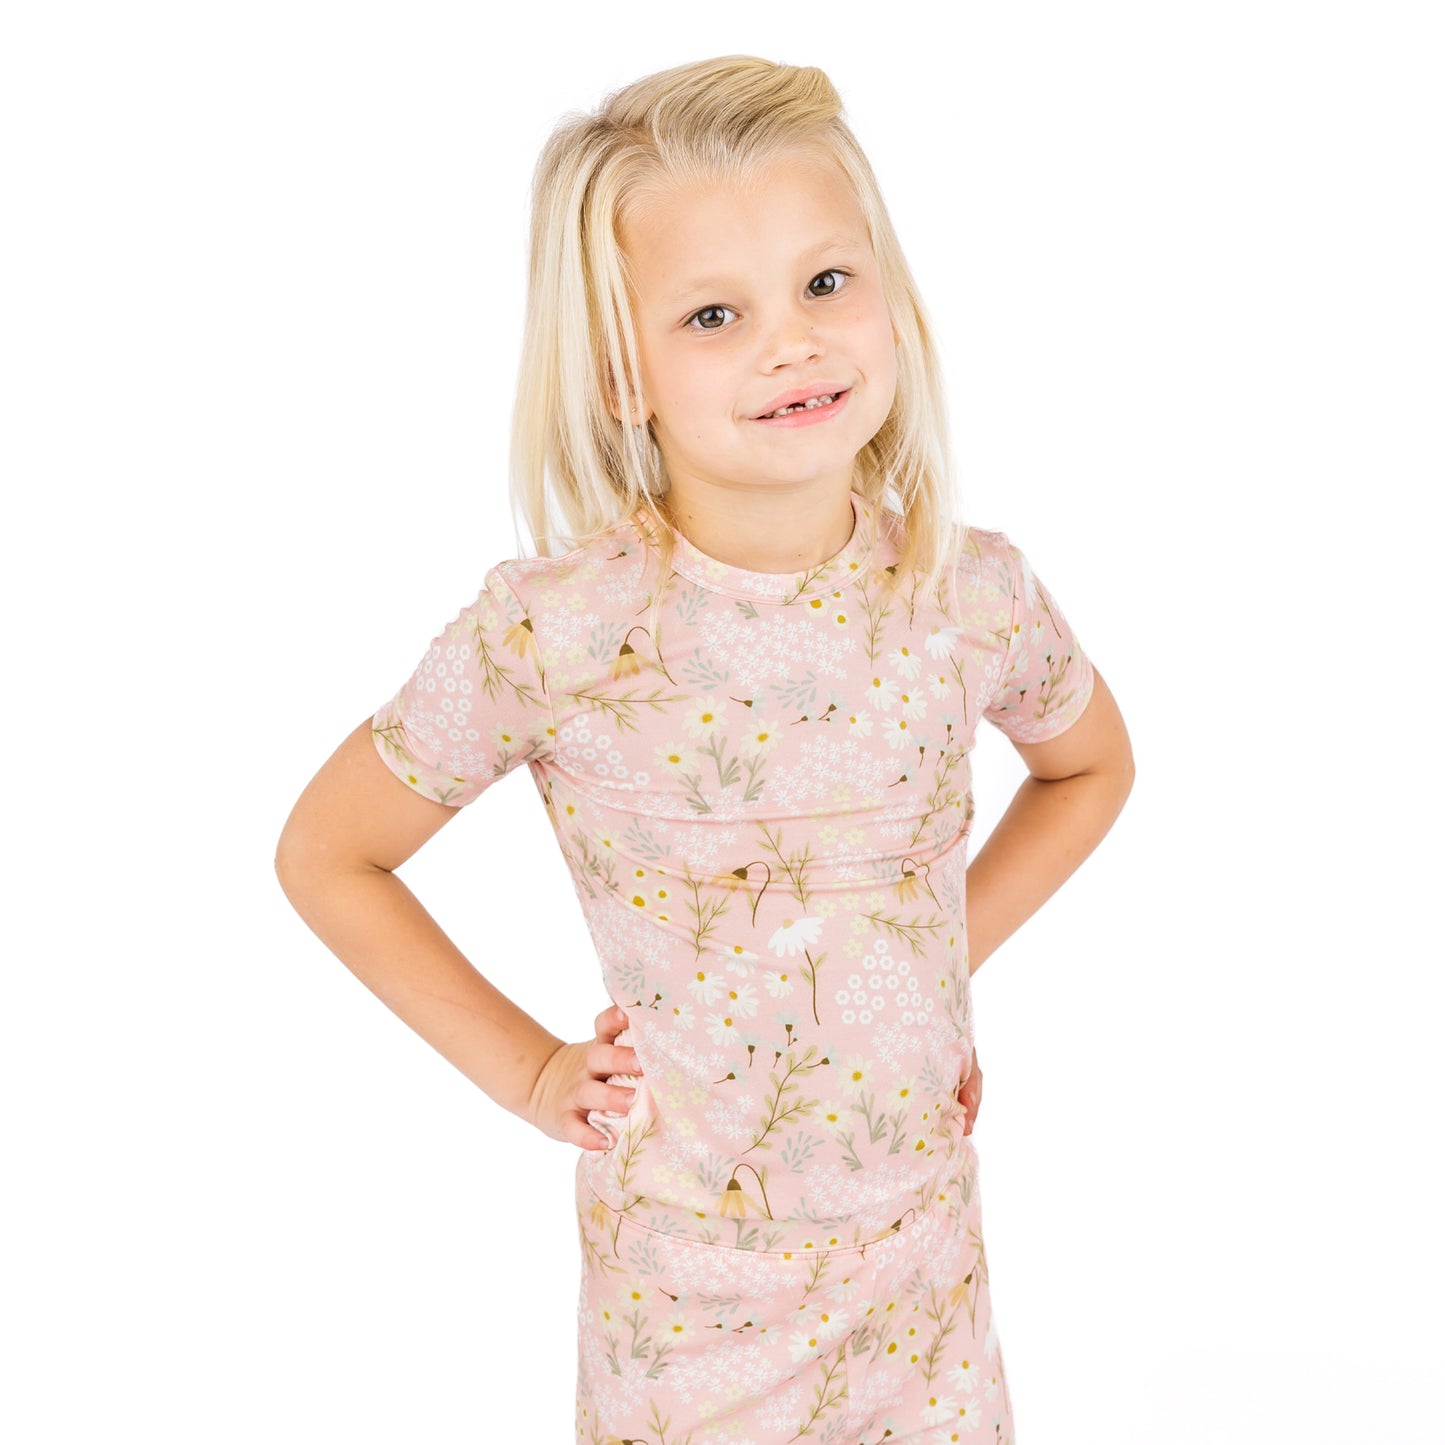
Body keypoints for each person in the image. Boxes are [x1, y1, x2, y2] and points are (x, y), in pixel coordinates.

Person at [276, 54, 1134, 1443]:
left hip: (922, 1274)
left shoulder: (968, 592)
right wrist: (531, 1071)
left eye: (825, 284)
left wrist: (926, 959)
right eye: (714, 314)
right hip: (687, 1294)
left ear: (891, 301)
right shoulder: (559, 632)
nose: (790, 343)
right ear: (621, 373)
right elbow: (329, 852)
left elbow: (1088, 766)